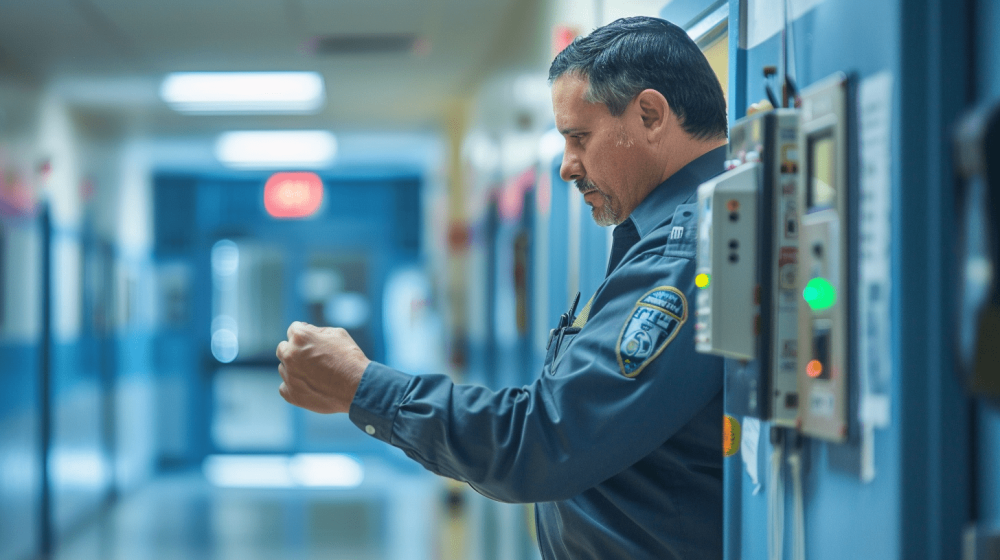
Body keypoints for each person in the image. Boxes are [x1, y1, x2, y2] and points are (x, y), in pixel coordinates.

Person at [276, 16, 728, 560]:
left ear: (650, 115)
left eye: (579, 137)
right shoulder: (656, 240)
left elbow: (545, 440)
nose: (566, 167)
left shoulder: (687, 254)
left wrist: (362, 386)